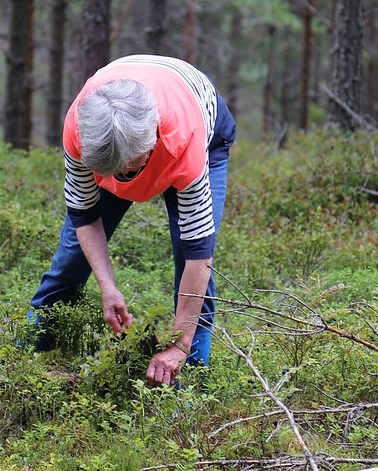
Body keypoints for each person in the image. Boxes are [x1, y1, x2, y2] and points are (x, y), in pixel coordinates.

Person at [29, 54, 235, 386]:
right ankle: (27, 359)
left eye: (132, 166)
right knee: (70, 260)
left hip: (198, 125)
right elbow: (84, 216)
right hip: (120, 129)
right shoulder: (82, 134)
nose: (126, 177)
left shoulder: (181, 142)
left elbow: (199, 253)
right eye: (115, 170)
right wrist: (107, 289)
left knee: (190, 263)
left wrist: (179, 344)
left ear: (151, 142)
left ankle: (194, 377)